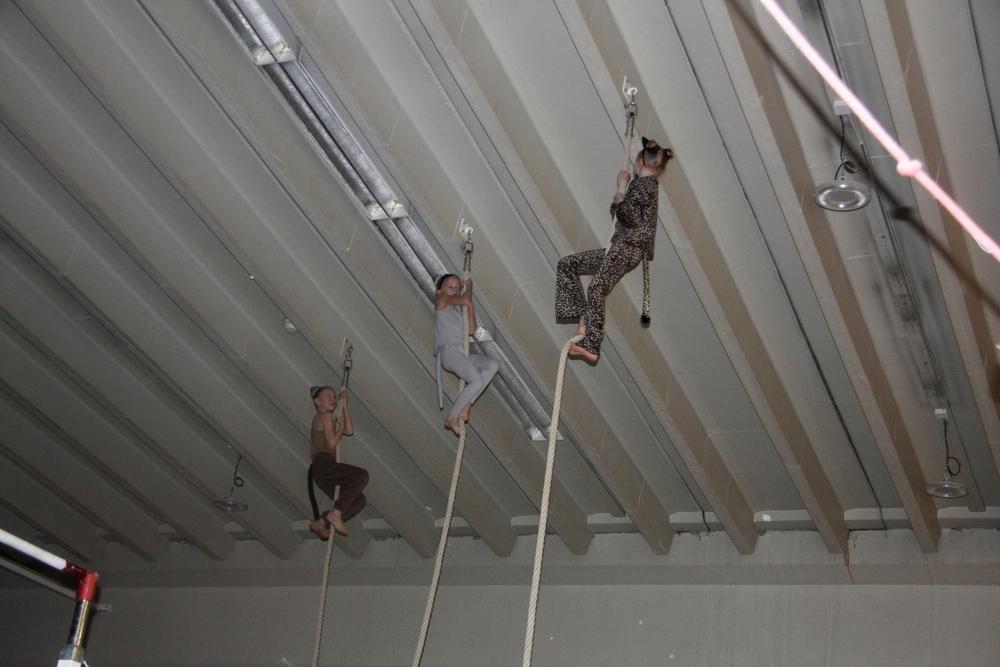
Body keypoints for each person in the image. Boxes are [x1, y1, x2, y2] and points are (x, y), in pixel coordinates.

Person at [555, 137, 673, 363]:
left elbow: (628, 216)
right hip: (623, 247)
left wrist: (620, 198)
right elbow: (622, 218)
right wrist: (621, 194)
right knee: (568, 264)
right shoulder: (644, 186)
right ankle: (585, 318)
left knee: (596, 288)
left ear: (640, 162)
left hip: (627, 248)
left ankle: (591, 344)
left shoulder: (644, 186)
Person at [434, 274, 499, 435]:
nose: (455, 290)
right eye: (450, 287)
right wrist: (469, 287)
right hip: (449, 352)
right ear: (440, 290)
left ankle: (467, 404)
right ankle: (452, 417)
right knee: (476, 381)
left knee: (492, 365)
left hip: (461, 352)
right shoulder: (441, 299)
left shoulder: (457, 309)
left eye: (458, 288)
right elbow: (464, 299)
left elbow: (471, 330)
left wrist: (470, 306)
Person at [307, 385, 368, 539]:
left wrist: (344, 406)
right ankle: (336, 513)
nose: (333, 399)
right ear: (318, 402)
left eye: (334, 396)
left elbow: (349, 431)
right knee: (361, 476)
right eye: (328, 396)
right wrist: (339, 429)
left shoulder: (328, 418)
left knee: (359, 500)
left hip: (323, 473)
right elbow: (333, 443)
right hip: (324, 464)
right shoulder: (325, 416)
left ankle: (323, 521)